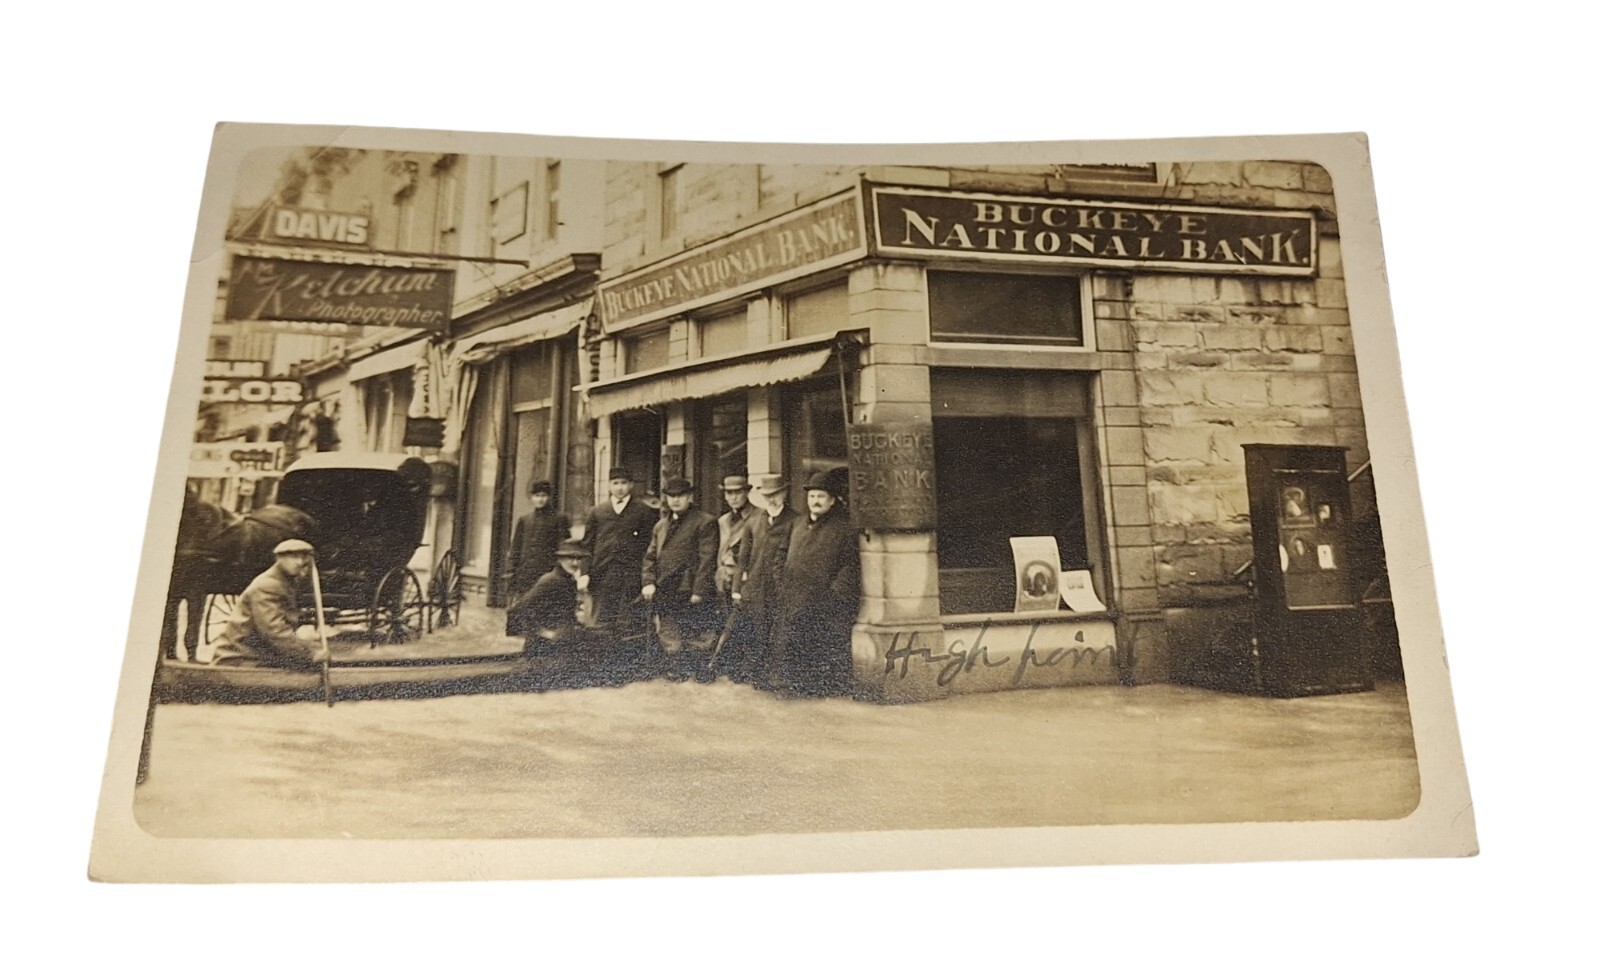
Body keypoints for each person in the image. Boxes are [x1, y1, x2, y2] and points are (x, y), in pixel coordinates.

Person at [770, 468, 859, 697]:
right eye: (811, 496)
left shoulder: (844, 528)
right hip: (792, 599)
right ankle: (792, 688)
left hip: (823, 605)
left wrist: (832, 596)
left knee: (820, 652)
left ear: (831, 500)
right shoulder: (797, 524)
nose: (815, 501)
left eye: (821, 496)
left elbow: (849, 567)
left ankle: (818, 693)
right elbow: (780, 555)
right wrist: (781, 584)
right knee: (790, 647)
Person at [641, 477, 720, 682]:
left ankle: (699, 670)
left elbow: (707, 559)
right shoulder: (661, 525)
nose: (675, 501)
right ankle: (675, 669)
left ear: (689, 497)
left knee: (697, 629)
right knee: (668, 629)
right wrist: (648, 581)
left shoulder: (704, 521)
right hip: (665, 586)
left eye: (680, 496)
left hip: (689, 586)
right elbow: (650, 557)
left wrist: (699, 591)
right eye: (671, 496)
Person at [208, 539, 330, 668]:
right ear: (279, 558)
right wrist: (310, 653)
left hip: (261, 653)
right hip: (240, 657)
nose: (299, 562)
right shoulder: (267, 585)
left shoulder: (287, 581)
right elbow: (274, 631)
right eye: (293, 557)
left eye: (303, 558)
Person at [727, 473, 798, 685]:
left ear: (784, 493)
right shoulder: (754, 521)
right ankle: (756, 675)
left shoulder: (795, 520)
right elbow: (743, 558)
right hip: (755, 587)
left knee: (778, 632)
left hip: (780, 587)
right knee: (756, 630)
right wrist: (737, 587)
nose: (772, 499)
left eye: (776, 494)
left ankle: (775, 677)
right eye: (767, 495)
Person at [580, 467, 658, 644]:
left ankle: (627, 666)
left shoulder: (643, 511)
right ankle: (603, 665)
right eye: (615, 483)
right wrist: (584, 572)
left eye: (624, 483)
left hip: (631, 576)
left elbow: (650, 548)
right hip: (603, 575)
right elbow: (586, 546)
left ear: (631, 485)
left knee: (629, 622)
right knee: (602, 622)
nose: (620, 488)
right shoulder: (597, 512)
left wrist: (647, 578)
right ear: (609, 486)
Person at [507, 479, 569, 598]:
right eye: (537, 496)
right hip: (526, 574)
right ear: (532, 497)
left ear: (549, 497)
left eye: (544, 496)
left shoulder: (559, 519)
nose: (540, 499)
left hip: (547, 573)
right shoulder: (525, 520)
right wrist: (511, 570)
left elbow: (563, 548)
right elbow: (516, 547)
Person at [714, 474, 754, 610]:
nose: (733, 497)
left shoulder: (758, 516)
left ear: (747, 493)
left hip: (746, 579)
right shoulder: (723, 520)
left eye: (738, 492)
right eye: (729, 493)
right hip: (724, 580)